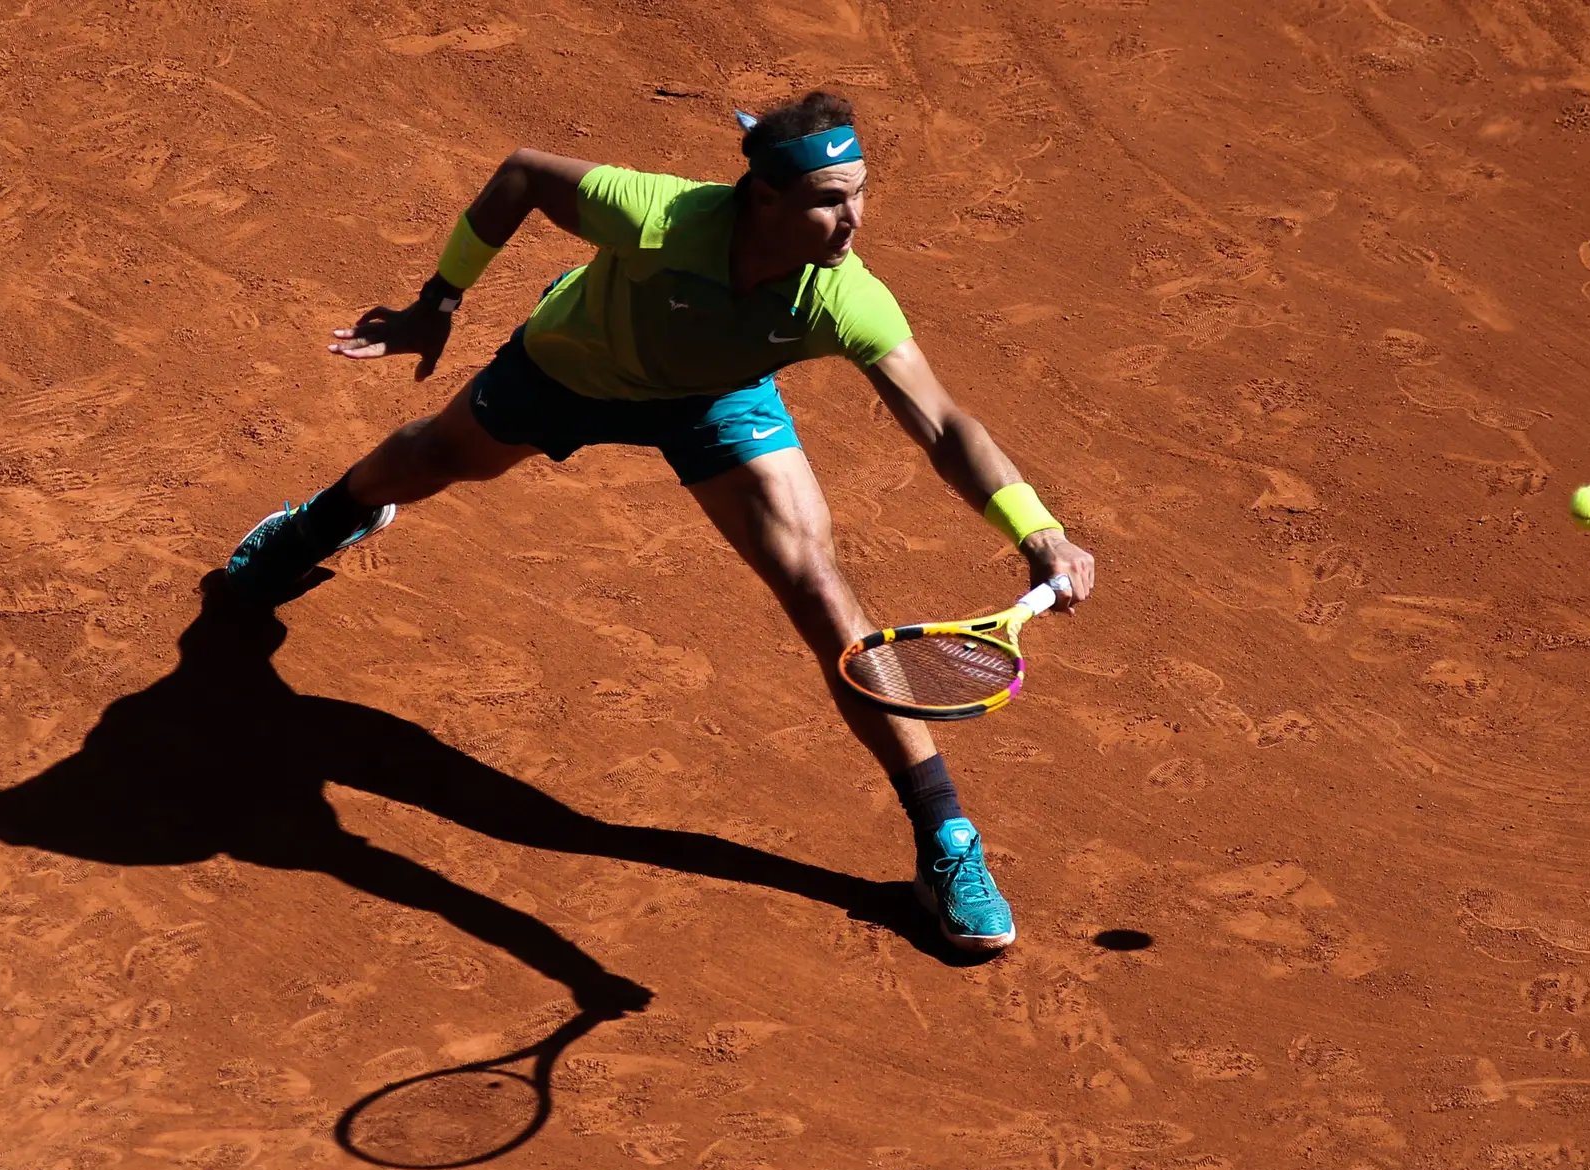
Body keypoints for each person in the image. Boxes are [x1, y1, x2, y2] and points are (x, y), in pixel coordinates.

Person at [223, 91, 1096, 951]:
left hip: (714, 403)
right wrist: (438, 300)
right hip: (570, 368)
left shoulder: (844, 297)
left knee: (822, 593)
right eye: (831, 200)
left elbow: (943, 424)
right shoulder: (662, 215)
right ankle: (315, 527)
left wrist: (1037, 528)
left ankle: (945, 839)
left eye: (861, 193)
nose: (854, 220)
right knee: (432, 460)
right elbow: (523, 175)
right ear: (764, 198)